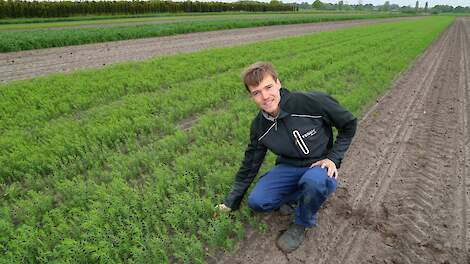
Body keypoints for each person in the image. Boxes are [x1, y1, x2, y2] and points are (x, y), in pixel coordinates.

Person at [216, 62, 357, 252]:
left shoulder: (309, 102)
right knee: (258, 202)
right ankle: (299, 194)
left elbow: (348, 124)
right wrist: (230, 202)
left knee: (315, 183)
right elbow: (250, 165)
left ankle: (302, 222)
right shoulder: (259, 127)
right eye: (256, 92)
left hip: (318, 165)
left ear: (278, 83)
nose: (265, 96)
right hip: (288, 167)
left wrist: (333, 158)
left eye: (268, 87)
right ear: (251, 97)